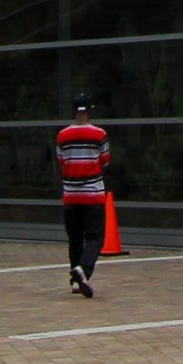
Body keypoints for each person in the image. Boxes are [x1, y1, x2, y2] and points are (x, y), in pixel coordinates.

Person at [55, 95, 111, 297]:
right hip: (92, 194)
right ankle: (84, 269)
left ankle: (75, 283)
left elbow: (61, 161)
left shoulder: (62, 136)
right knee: (95, 237)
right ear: (88, 111)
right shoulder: (99, 134)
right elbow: (105, 160)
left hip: (70, 195)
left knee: (75, 239)